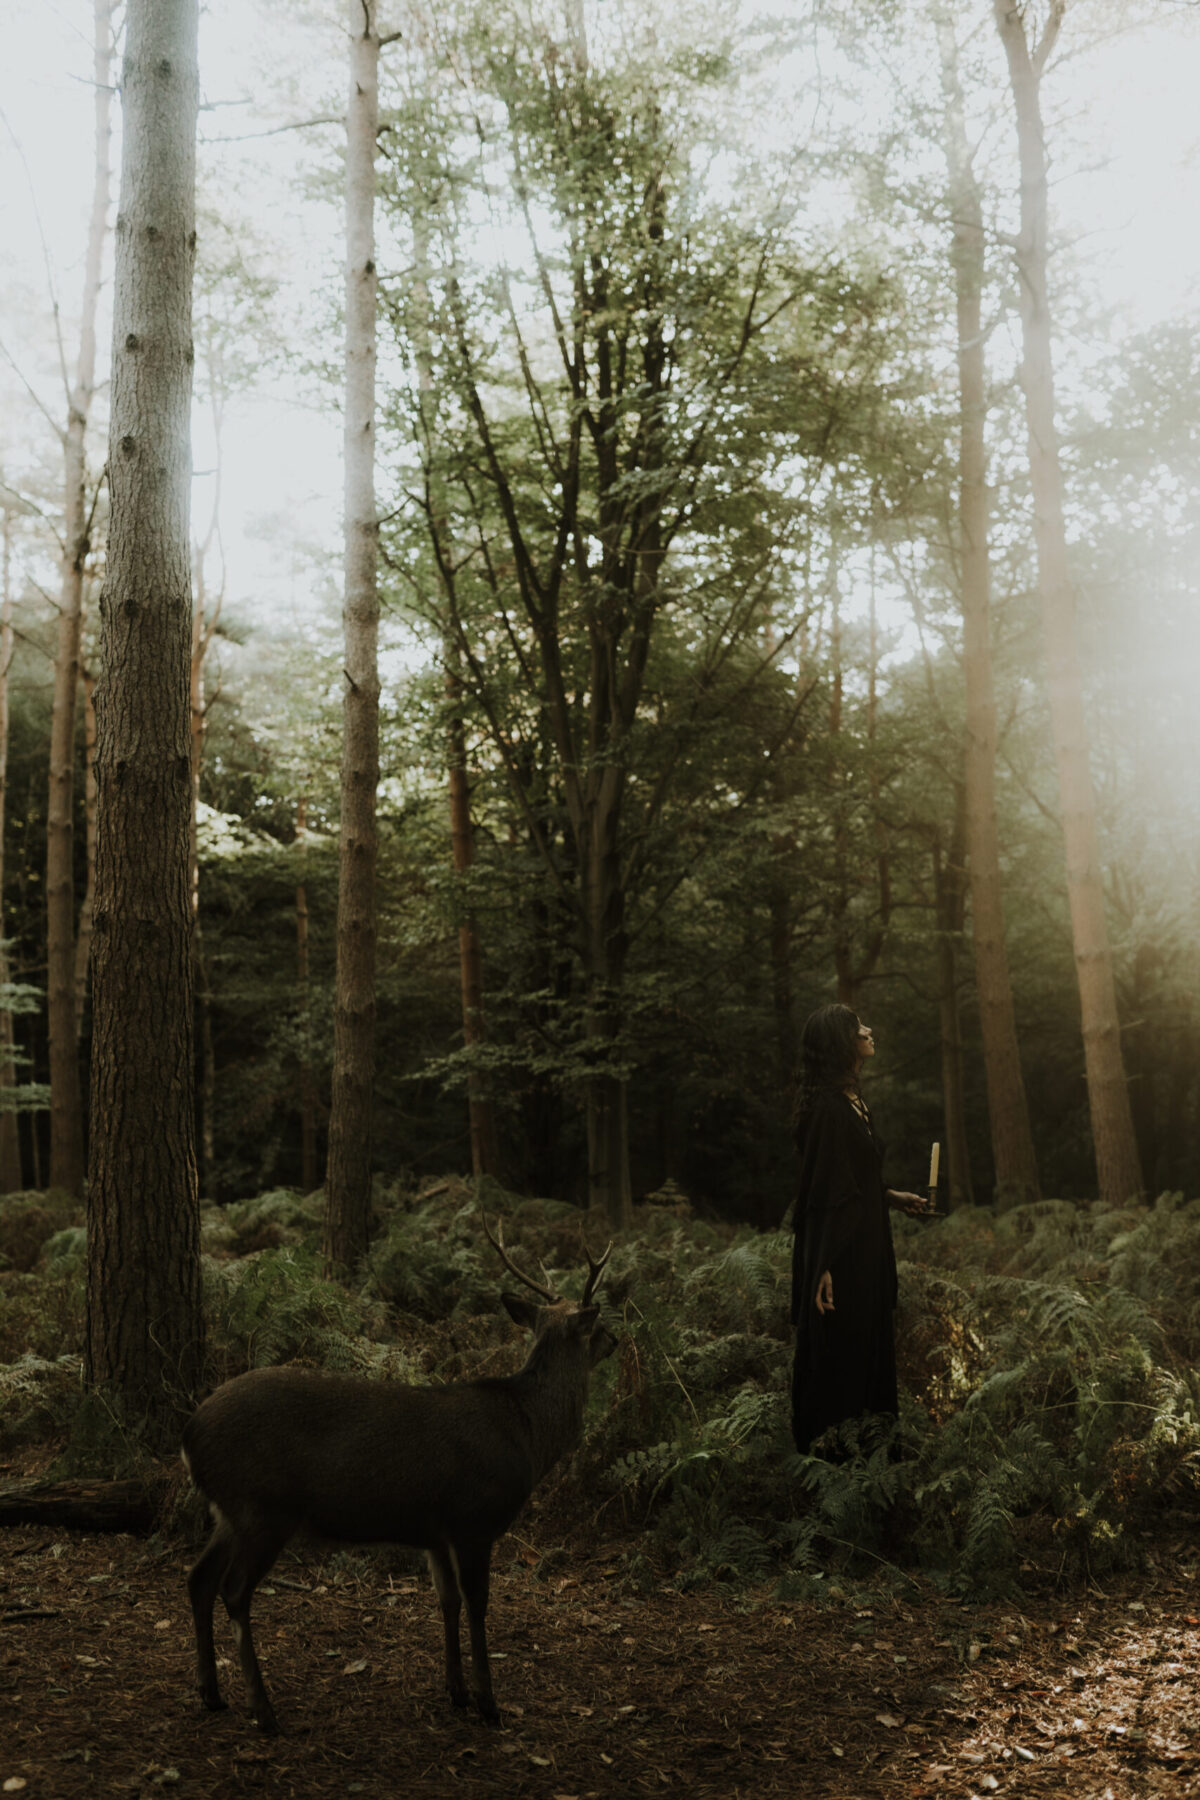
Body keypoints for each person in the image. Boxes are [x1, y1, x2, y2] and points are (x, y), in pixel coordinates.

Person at [789, 1003, 928, 1454]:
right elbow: (820, 1193)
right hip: (841, 1254)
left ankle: (876, 1454)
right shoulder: (828, 1110)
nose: (868, 1030)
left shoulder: (853, 1101)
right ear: (839, 1043)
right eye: (857, 1027)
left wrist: (891, 1196)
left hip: (867, 1244)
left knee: (871, 1343)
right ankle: (838, 1463)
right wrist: (823, 1265)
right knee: (844, 1352)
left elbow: (853, 1179)